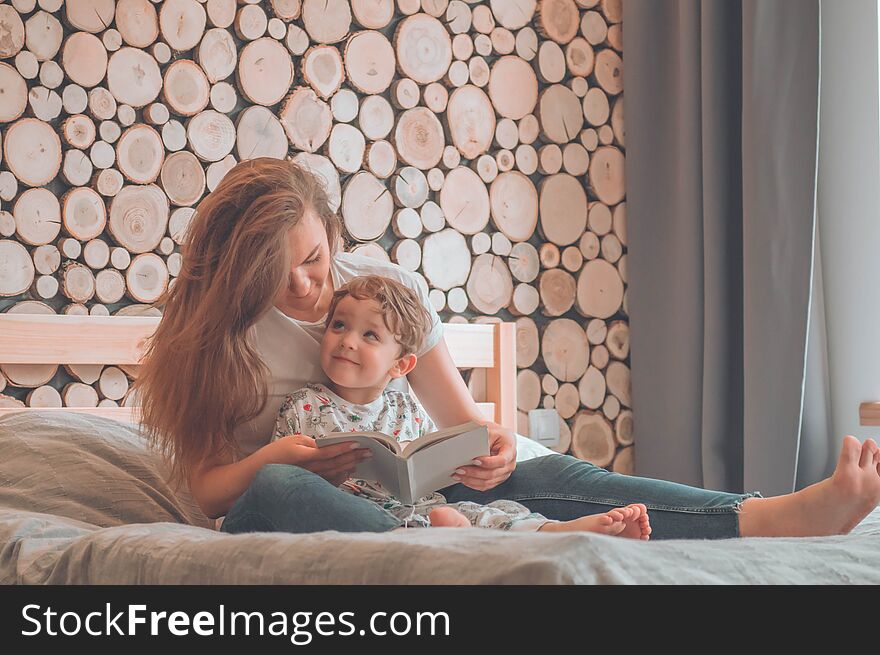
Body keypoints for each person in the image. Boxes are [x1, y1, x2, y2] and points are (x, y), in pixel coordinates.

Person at [135, 157, 880, 540]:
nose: (311, 284)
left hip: (421, 492)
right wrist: (281, 456)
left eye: (315, 255)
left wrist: (489, 447)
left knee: (548, 467)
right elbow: (210, 491)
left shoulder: (383, 291)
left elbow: (462, 424)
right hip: (300, 499)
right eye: (281, 272)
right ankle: (459, 547)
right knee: (278, 492)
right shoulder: (214, 342)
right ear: (241, 272)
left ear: (332, 232)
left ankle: (772, 516)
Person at [272, 274, 652, 538]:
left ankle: (557, 531)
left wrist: (457, 467)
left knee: (490, 511)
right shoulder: (304, 406)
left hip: (421, 508)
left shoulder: (407, 409)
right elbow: (284, 482)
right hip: (353, 514)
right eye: (338, 326)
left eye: (370, 334)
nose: (348, 341)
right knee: (430, 519)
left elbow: (427, 468)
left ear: (400, 365)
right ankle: (444, 539)